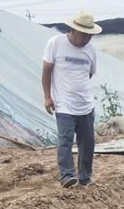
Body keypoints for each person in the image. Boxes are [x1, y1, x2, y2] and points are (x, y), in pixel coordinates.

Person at [42, 11, 102, 188]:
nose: (86, 39)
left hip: (85, 105)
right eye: (83, 35)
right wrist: (48, 97)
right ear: (73, 30)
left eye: (89, 36)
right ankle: (67, 176)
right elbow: (46, 71)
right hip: (64, 105)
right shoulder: (56, 43)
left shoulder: (90, 50)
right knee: (65, 140)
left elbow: (89, 73)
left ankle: (85, 177)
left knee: (87, 142)